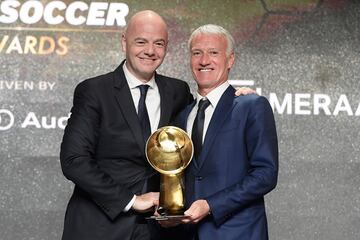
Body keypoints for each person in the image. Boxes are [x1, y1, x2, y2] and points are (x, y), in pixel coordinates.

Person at [60, 11, 254, 240]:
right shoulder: (94, 91)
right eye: (140, 42)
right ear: (124, 41)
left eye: (158, 43)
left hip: (161, 231)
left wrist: (235, 100)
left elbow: (204, 135)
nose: (150, 51)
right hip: (100, 228)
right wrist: (132, 201)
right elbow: (74, 160)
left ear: (167, 47)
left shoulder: (178, 92)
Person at [172, 24, 279, 240]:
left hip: (238, 233)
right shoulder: (182, 116)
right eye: (197, 53)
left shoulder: (251, 105)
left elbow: (265, 174)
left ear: (230, 60)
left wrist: (211, 205)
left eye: (213, 52)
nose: (204, 60)